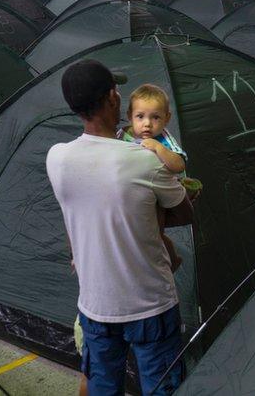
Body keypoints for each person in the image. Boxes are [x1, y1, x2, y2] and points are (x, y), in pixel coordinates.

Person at [47, 60, 191, 396]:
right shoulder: (143, 159)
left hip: (95, 306)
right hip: (150, 304)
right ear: (113, 99)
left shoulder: (57, 158)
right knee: (161, 387)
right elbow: (183, 212)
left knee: (103, 388)